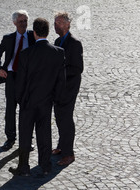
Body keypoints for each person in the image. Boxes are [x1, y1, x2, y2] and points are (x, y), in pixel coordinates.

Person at [9, 18, 66, 177]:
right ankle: (46, 166)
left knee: (25, 135)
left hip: (28, 102)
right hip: (46, 102)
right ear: (47, 32)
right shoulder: (58, 53)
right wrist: (55, 99)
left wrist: (21, 100)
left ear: (34, 33)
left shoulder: (26, 54)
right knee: (45, 134)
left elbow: (20, 82)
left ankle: (23, 167)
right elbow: (61, 81)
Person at [0, 10, 36, 151]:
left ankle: (27, 140)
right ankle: (10, 138)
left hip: (27, 79)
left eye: (25, 21)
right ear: (14, 23)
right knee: (10, 109)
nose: (23, 24)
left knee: (27, 110)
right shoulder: (8, 38)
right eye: (20, 22)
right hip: (11, 77)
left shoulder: (33, 36)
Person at [52, 11, 84, 166]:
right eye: (54, 22)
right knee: (59, 116)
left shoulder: (75, 43)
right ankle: (61, 146)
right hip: (58, 88)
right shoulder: (57, 41)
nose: (55, 25)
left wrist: (59, 72)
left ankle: (69, 153)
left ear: (67, 24)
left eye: (58, 23)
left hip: (69, 88)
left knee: (66, 119)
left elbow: (78, 68)